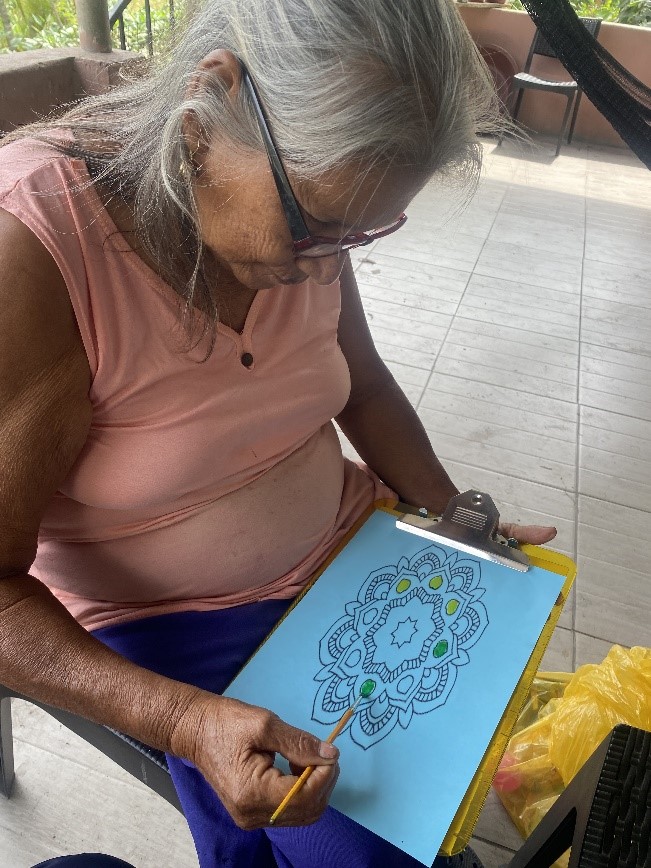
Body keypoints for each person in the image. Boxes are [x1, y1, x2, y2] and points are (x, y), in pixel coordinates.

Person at [0, 0, 556, 865]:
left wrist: (450, 513)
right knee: (363, 847)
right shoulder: (36, 250)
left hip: (353, 556)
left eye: (363, 231)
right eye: (318, 225)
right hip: (172, 622)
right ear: (207, 111)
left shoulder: (303, 223)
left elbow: (363, 384)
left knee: (438, 778)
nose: (327, 262)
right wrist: (184, 719)